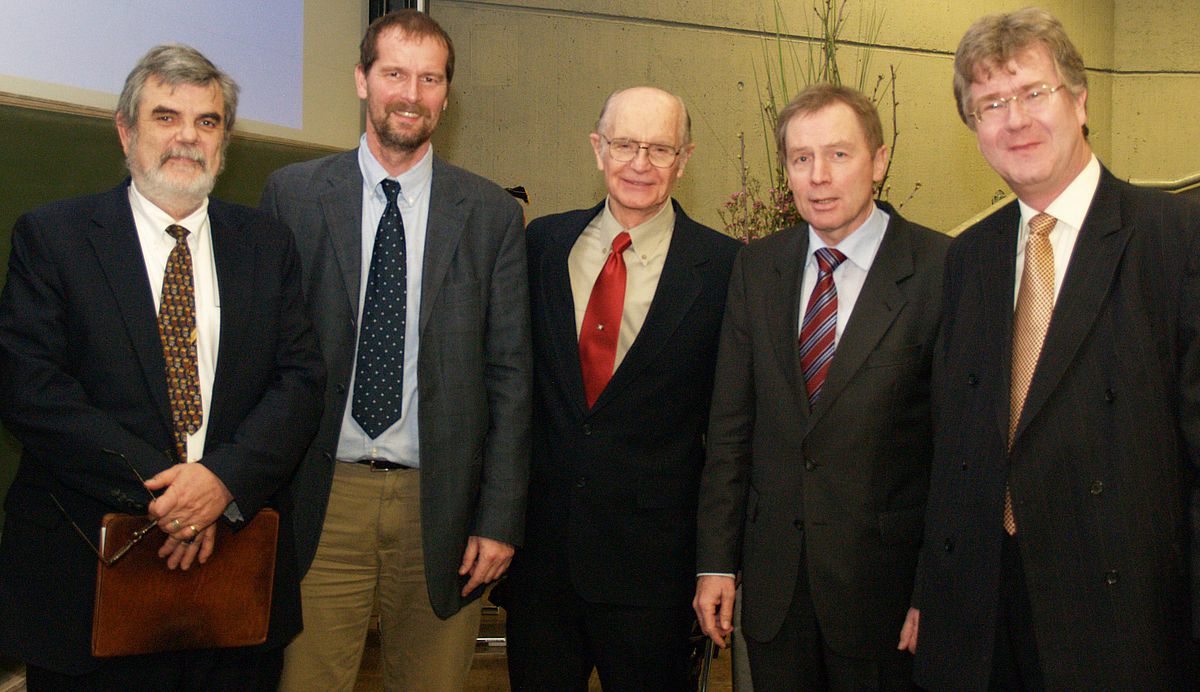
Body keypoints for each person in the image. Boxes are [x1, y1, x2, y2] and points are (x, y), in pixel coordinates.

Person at [0, 44, 325, 689]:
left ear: (224, 140)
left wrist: (221, 484)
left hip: (234, 586)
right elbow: (31, 390)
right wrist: (175, 496)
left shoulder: (266, 245)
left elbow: (301, 382)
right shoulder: (54, 237)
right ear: (126, 131)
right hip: (85, 582)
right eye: (166, 117)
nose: (188, 138)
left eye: (207, 122)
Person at [904, 7, 1200, 690]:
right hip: (982, 618)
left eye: (1034, 93)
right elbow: (952, 445)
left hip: (1124, 621)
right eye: (990, 104)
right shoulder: (969, 256)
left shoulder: (1173, 239)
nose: (1014, 119)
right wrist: (931, 587)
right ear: (975, 131)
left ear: (1082, 99)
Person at [259, 10, 531, 691]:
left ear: (446, 93)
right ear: (361, 80)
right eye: (394, 74)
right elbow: (262, 360)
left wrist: (498, 519)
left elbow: (511, 380)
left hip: (440, 506)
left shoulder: (491, 215)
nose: (411, 93)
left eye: (429, 78)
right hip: (323, 497)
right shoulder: (291, 196)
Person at [693, 83, 948, 691]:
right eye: (801, 158)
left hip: (885, 597)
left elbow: (958, 454)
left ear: (879, 161)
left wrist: (935, 588)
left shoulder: (942, 270)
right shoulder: (758, 268)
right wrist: (716, 564)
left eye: (839, 154)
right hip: (776, 589)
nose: (819, 177)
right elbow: (731, 429)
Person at [488, 86, 739, 690]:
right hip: (543, 569)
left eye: (659, 149)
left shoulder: (728, 269)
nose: (640, 164)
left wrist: (716, 564)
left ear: (684, 159)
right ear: (598, 149)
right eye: (626, 144)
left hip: (655, 577)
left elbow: (731, 434)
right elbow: (509, 392)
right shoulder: (540, 246)